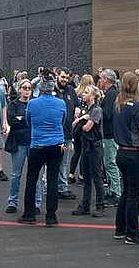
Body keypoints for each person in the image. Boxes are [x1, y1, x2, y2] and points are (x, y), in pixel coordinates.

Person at [18, 71, 66, 227]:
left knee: (32, 178)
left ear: (40, 88)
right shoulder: (61, 103)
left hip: (38, 144)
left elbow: (28, 122)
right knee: (52, 180)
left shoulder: (32, 104)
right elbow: (63, 121)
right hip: (56, 144)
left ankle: (29, 213)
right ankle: (51, 216)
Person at [113, 71, 139, 245]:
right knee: (134, 195)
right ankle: (132, 233)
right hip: (136, 152)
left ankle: (120, 228)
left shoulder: (118, 103)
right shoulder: (137, 106)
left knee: (127, 191)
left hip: (122, 152)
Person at [5, 79, 42, 213]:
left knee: (35, 174)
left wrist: (21, 118)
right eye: (24, 88)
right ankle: (12, 202)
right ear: (19, 89)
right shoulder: (13, 104)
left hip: (34, 142)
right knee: (16, 174)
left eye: (29, 88)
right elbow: (11, 121)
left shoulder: (35, 104)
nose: (27, 90)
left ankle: (36, 203)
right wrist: (25, 119)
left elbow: (37, 120)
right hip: (18, 143)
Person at [71, 85, 106, 218]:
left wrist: (81, 122)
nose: (83, 95)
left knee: (97, 177)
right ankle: (85, 204)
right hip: (85, 145)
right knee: (86, 177)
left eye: (86, 93)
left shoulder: (96, 110)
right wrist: (81, 119)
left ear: (92, 96)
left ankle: (100, 205)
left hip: (94, 146)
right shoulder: (86, 110)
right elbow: (75, 125)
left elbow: (87, 127)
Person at [99, 68, 122, 206]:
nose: (99, 81)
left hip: (109, 133)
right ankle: (112, 189)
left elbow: (107, 114)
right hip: (111, 132)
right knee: (109, 163)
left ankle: (115, 192)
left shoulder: (110, 94)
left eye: (101, 78)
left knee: (111, 163)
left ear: (106, 79)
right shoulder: (112, 93)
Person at [56, 68, 79, 200]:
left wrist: (77, 108)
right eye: (62, 77)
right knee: (52, 162)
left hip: (67, 133)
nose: (65, 80)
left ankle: (62, 188)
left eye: (67, 78)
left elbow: (77, 104)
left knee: (64, 162)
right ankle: (50, 187)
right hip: (54, 133)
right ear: (57, 76)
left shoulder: (71, 90)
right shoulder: (52, 91)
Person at [68, 73, 95, 184]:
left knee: (77, 151)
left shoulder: (75, 92)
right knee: (84, 152)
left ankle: (71, 173)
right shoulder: (90, 95)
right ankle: (82, 175)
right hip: (85, 123)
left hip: (76, 125)